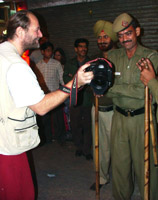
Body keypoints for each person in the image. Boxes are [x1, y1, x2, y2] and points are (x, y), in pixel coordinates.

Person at [0, 10, 93, 200]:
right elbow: (41, 106)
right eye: (37, 30)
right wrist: (76, 83)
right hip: (8, 149)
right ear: (20, 32)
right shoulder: (16, 65)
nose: (41, 35)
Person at [107, 13, 158, 199]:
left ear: (137, 31)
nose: (124, 39)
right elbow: (106, 89)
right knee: (119, 168)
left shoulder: (151, 57)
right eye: (120, 36)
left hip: (142, 120)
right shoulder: (112, 56)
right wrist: (133, 88)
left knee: (146, 168)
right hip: (119, 118)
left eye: (128, 33)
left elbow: (146, 92)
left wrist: (116, 88)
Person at [90, 20, 118, 190]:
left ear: (113, 38)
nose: (102, 40)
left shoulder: (121, 58)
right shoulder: (95, 58)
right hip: (97, 109)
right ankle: (101, 178)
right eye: (99, 37)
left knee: (117, 147)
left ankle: (121, 178)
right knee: (98, 147)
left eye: (106, 36)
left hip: (115, 111)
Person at [63, 38, 93, 160]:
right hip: (74, 99)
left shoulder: (91, 63)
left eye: (85, 46)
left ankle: (87, 150)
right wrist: (74, 82)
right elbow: (65, 78)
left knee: (87, 125)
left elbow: (93, 80)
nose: (83, 49)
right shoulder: (70, 63)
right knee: (75, 125)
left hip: (87, 99)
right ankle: (79, 147)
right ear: (76, 49)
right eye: (80, 46)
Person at [35, 41, 66, 144]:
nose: (50, 52)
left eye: (51, 50)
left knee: (58, 118)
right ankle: (47, 139)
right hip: (43, 96)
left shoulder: (56, 64)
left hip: (56, 95)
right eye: (47, 50)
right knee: (45, 119)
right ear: (42, 52)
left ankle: (61, 138)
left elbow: (62, 79)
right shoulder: (38, 65)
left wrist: (65, 91)